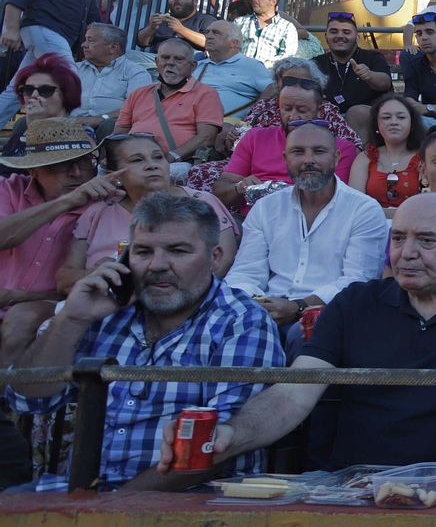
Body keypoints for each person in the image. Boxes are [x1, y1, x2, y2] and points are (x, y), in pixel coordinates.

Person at [157, 193, 436, 484]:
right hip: (347, 486)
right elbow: (294, 393)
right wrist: (229, 434)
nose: (407, 253)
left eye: (426, 240)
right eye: (398, 238)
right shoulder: (354, 303)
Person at [7, 193, 282, 491]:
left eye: (177, 251)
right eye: (143, 252)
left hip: (192, 504)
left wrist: (116, 507)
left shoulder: (241, 321)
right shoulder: (105, 311)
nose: (157, 265)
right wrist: (71, 318)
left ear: (215, 258)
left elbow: (215, 449)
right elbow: (28, 398)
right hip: (85, 493)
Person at [224, 120, 387, 331]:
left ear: (336, 158)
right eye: (298, 152)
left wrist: (298, 306)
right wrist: (253, 305)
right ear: (286, 159)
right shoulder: (265, 208)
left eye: (319, 152)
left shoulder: (364, 210)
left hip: (330, 314)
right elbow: (246, 272)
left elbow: (358, 281)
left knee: (302, 332)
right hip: (266, 311)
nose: (308, 160)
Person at [0, 119, 125, 365]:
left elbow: (102, 284)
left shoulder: (112, 204)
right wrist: (63, 203)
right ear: (33, 169)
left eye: (85, 161)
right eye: (63, 165)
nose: (77, 173)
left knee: (21, 320)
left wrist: (18, 297)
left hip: (56, 304)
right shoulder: (9, 188)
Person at [57, 134, 239, 291]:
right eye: (137, 160)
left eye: (158, 157)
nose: (152, 165)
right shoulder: (99, 211)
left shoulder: (202, 202)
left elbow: (222, 264)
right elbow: (64, 279)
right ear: (116, 176)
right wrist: (94, 274)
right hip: (106, 308)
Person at [0, 0, 102, 128]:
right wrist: (10, 29)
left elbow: (91, 13)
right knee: (70, 77)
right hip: (43, 28)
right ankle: (72, 130)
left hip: (58, 35)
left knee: (16, 88)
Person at [212, 71, 358, 211]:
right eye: (287, 109)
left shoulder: (341, 148)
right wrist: (239, 187)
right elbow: (221, 191)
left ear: (320, 111)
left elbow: (338, 200)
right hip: (251, 221)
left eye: (301, 110)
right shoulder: (255, 137)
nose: (293, 116)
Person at [113, 39, 224, 165]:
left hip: (178, 162)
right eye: (165, 58)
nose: (170, 63)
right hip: (133, 160)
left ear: (192, 66)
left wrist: (171, 157)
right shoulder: (138, 93)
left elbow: (206, 138)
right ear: (157, 62)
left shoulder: (206, 94)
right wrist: (113, 156)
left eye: (179, 59)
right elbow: (119, 133)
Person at [313, 12, 393, 136]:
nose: (339, 36)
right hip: (327, 119)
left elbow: (385, 83)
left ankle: (360, 154)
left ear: (357, 38)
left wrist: (370, 76)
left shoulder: (372, 57)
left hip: (366, 120)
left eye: (346, 32)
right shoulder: (316, 63)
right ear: (326, 36)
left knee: (356, 113)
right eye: (334, 31)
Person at [347, 93, 426, 213]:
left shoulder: (425, 158)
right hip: (371, 227)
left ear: (412, 124)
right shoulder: (364, 158)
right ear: (376, 125)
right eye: (386, 117)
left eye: (401, 117)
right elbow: (354, 206)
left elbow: (427, 205)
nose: (393, 122)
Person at [195, 21, 272, 118]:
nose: (208, 36)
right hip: (188, 121)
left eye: (216, 33)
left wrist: (253, 115)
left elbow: (273, 88)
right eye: (207, 32)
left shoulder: (251, 66)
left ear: (233, 43)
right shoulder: (197, 65)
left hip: (228, 125)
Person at [134, 0, 218, 52]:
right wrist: (151, 28)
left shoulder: (205, 20)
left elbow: (209, 41)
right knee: (130, 55)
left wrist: (181, 29)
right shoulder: (161, 19)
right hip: (156, 61)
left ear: (195, 1)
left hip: (190, 63)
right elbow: (141, 42)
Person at [233, 0, 299, 69]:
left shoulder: (286, 27)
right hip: (238, 71)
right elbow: (228, 47)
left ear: (273, 2)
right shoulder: (240, 22)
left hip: (269, 75)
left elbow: (288, 56)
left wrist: (265, 65)